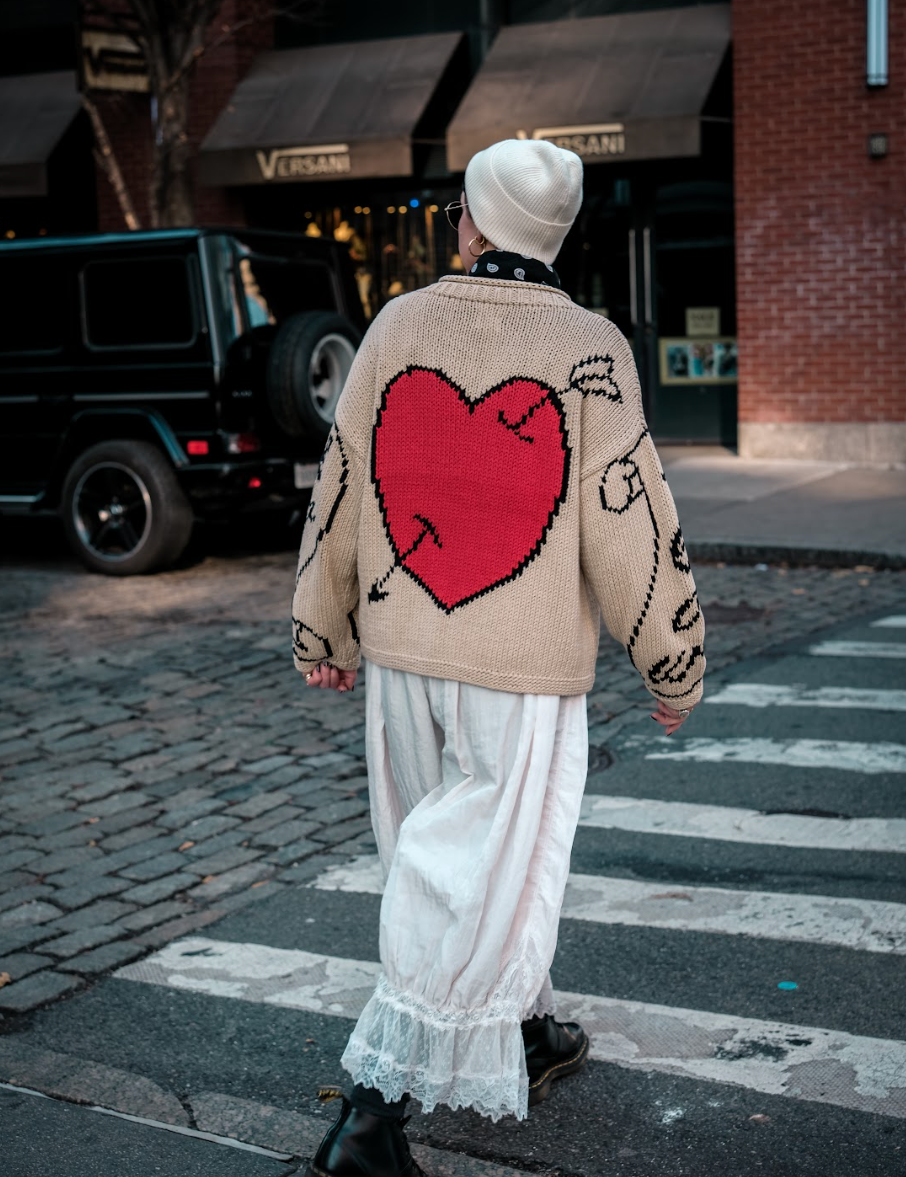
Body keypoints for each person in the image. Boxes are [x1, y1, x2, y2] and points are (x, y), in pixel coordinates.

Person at [292, 138, 705, 1177]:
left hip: (402, 654)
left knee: (444, 859)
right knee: (487, 865)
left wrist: (323, 625)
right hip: (517, 669)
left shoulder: (397, 323)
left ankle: (515, 1027)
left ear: (471, 223)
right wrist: (674, 662)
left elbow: (341, 487)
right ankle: (373, 1117)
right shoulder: (592, 348)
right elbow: (633, 526)